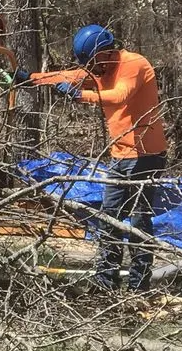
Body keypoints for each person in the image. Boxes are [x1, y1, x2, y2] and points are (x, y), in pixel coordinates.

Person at [15, 24, 167, 292]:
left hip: (146, 155)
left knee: (139, 220)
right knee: (109, 217)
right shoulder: (100, 69)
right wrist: (31, 78)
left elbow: (120, 96)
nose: (91, 69)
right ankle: (106, 281)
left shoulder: (134, 64)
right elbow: (68, 75)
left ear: (105, 52)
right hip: (121, 155)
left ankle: (139, 285)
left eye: (93, 62)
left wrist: (79, 95)